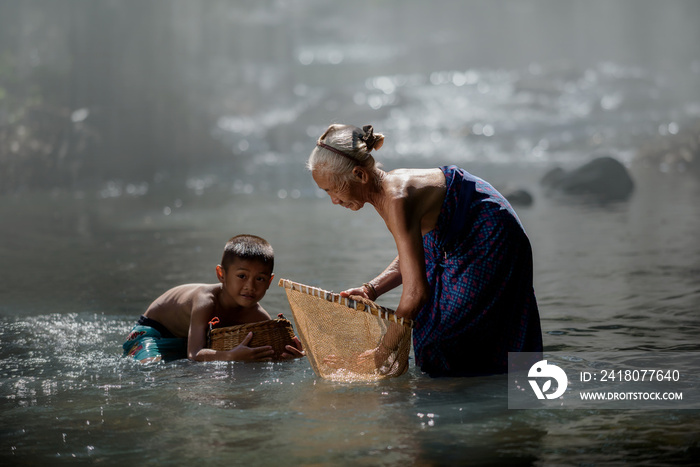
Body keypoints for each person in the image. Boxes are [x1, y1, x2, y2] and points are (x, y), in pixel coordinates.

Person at [308, 124, 542, 377]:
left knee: (441, 337)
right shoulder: (382, 193)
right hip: (456, 235)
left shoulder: (396, 198)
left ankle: (474, 393)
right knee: (430, 331)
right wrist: (370, 289)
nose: (333, 200)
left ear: (360, 175)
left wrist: (382, 351)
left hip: (490, 232)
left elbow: (416, 293)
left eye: (332, 189)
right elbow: (418, 254)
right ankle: (467, 389)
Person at [122, 234, 304, 363]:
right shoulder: (205, 300)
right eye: (242, 276)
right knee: (151, 369)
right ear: (221, 274)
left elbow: (267, 354)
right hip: (153, 333)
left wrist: (290, 356)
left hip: (189, 339)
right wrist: (231, 356)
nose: (250, 286)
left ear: (270, 281)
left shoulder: (257, 316)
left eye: (260, 279)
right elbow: (194, 355)